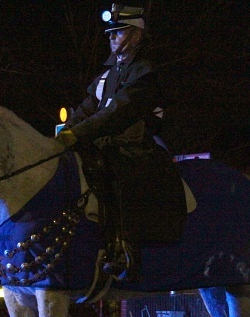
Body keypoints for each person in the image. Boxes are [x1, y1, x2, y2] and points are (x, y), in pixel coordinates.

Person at [55, 3, 185, 281]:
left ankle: (125, 249)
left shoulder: (145, 72)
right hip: (103, 142)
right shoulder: (107, 73)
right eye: (110, 33)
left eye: (118, 32)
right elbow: (88, 108)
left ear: (136, 34)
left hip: (135, 145)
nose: (111, 37)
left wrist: (78, 135)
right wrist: (63, 133)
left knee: (118, 175)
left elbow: (118, 112)